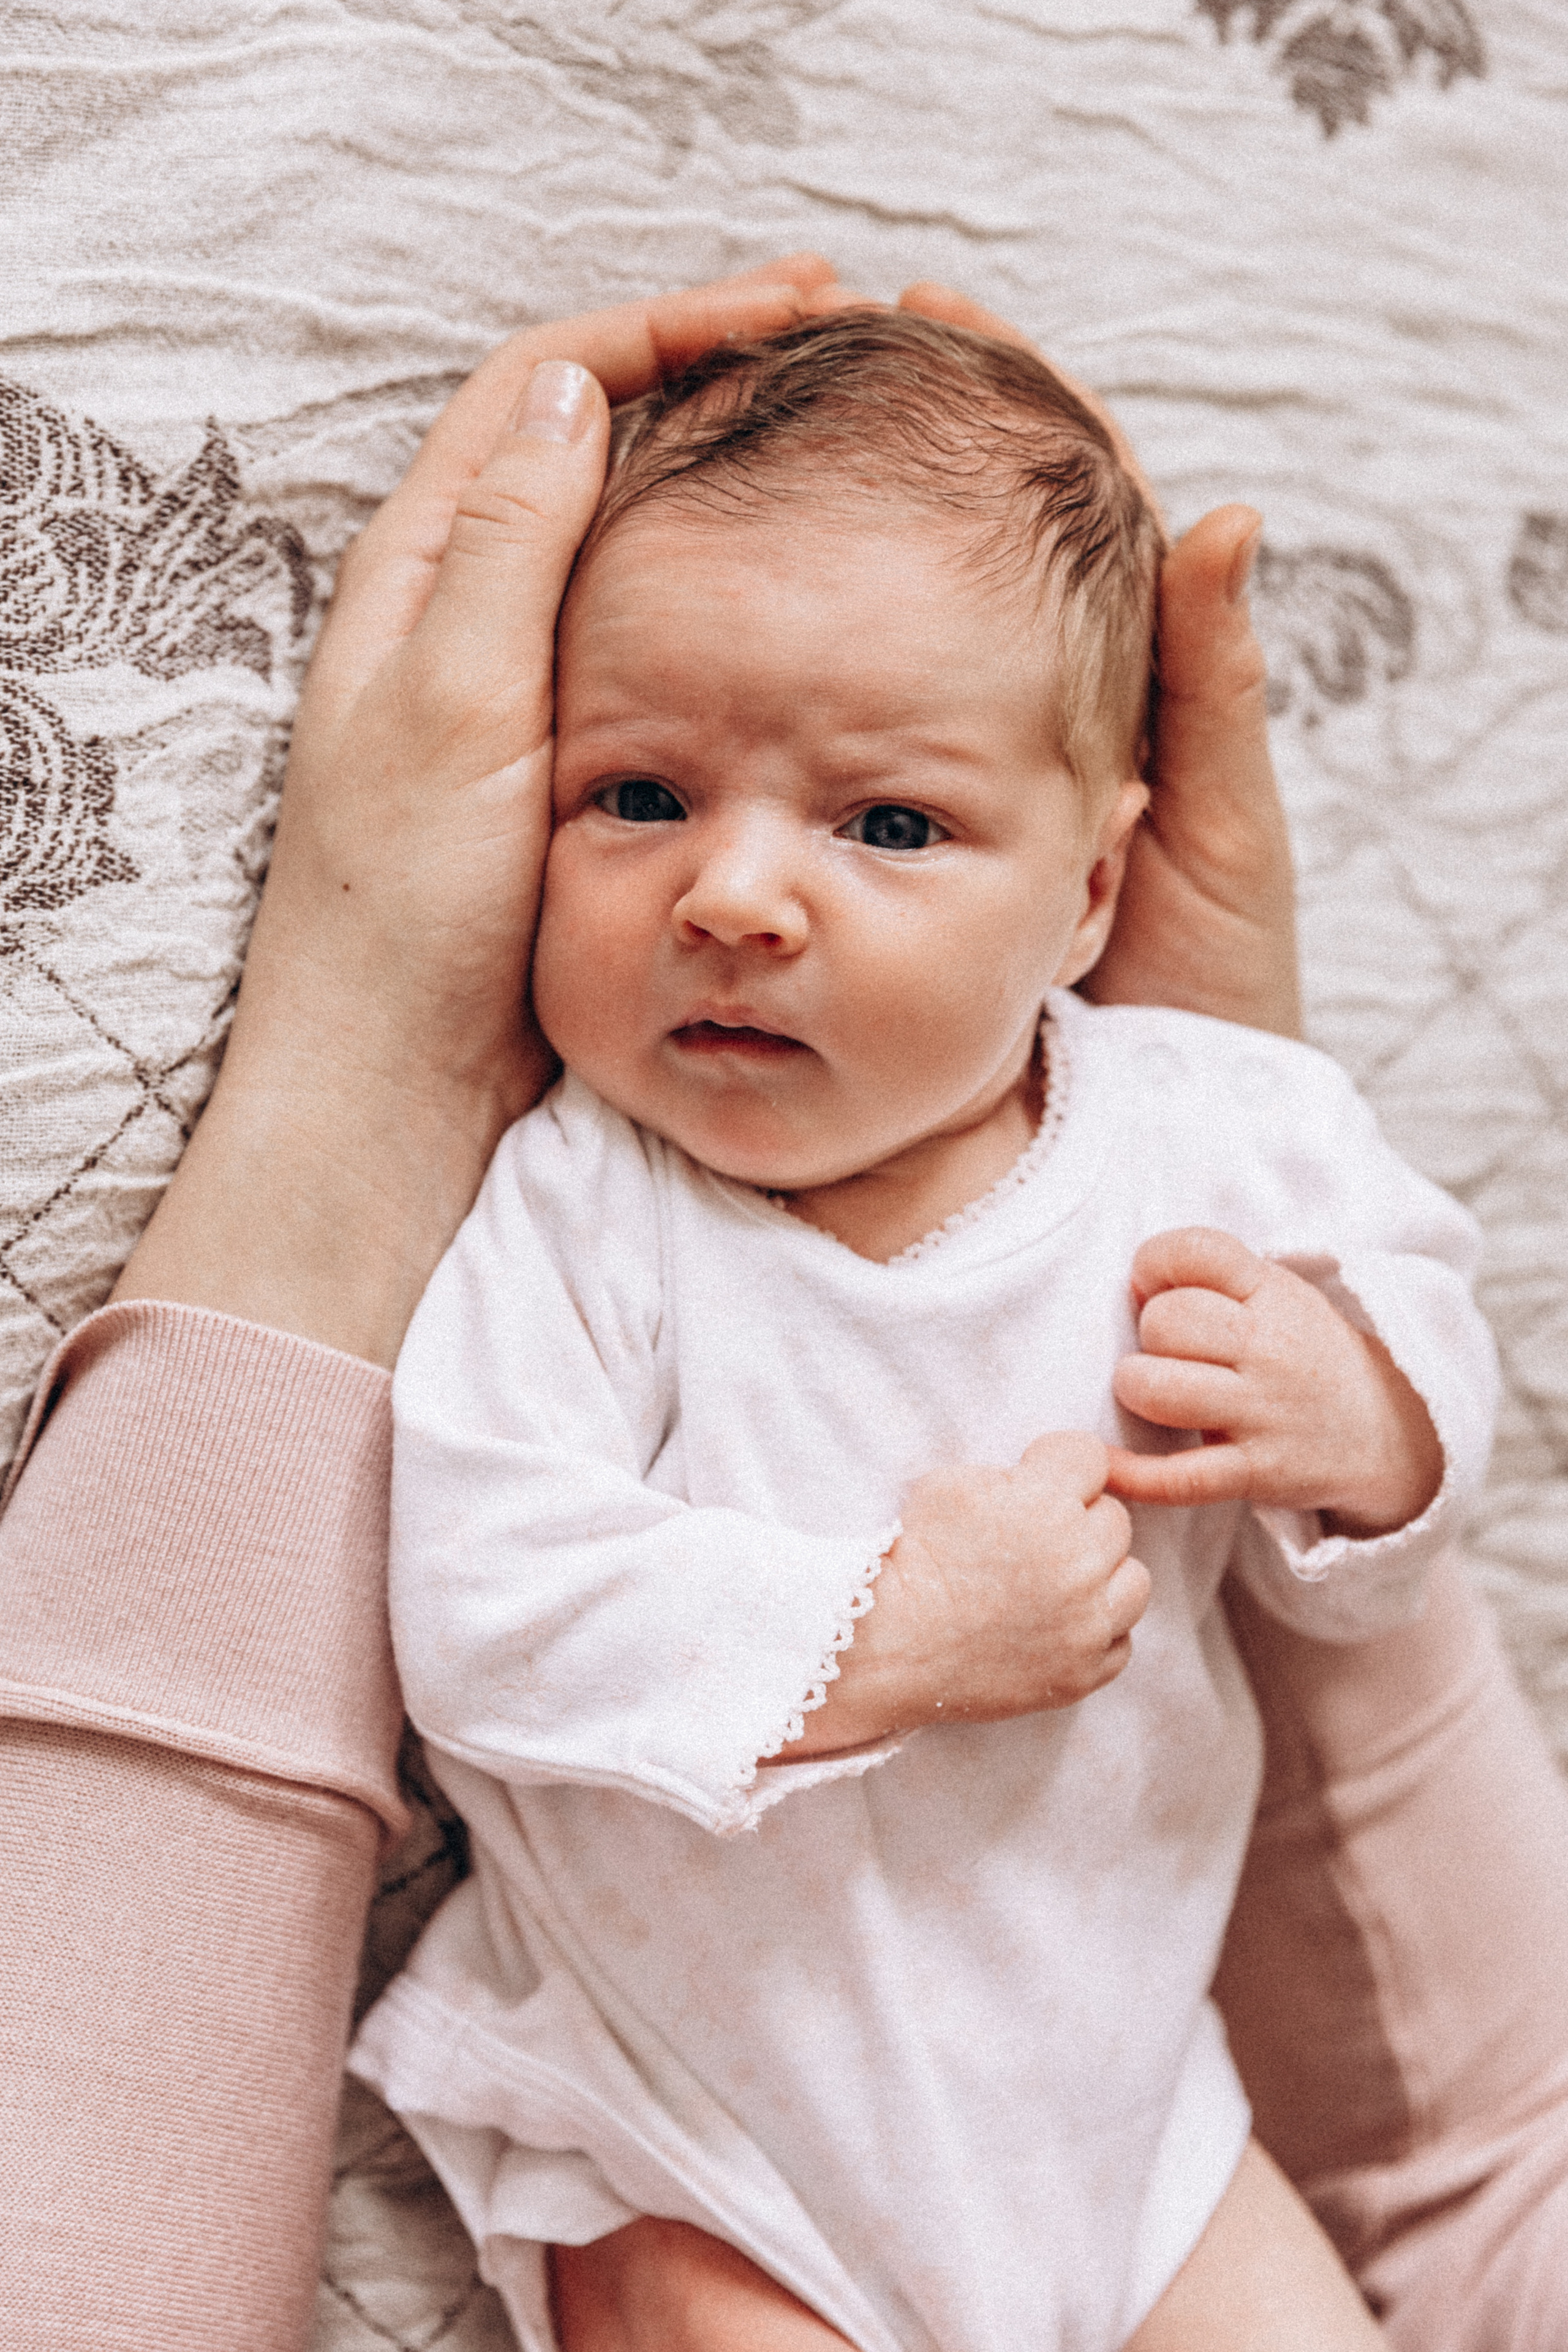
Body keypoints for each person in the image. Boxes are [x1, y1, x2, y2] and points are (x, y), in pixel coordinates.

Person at [0, 263, 1563, 2352]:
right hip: (701, 2142)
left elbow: (1430, 1332)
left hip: (1135, 2126)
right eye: (638, 796)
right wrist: (884, 1637)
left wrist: (1371, 1420)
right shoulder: (590, 1215)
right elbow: (488, 1610)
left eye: (890, 823)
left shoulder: (1217, 1123)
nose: (733, 895)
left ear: (1091, 889)